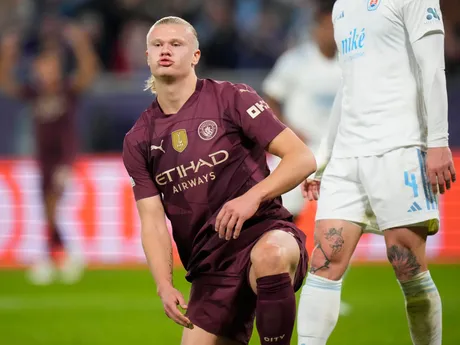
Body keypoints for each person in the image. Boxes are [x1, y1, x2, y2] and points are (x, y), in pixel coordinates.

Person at [122, 16, 316, 345]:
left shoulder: (232, 98)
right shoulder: (139, 139)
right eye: (157, 45)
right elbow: (152, 220)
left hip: (263, 232)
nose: (165, 50)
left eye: (175, 44)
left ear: (195, 56)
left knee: (271, 255)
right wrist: (164, 284)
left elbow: (302, 158)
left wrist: (252, 197)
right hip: (210, 266)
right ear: (147, 57)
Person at [297, 0, 456, 344]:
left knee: (408, 268)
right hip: (348, 155)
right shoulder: (342, 7)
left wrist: (438, 142)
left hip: (399, 147)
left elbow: (433, 67)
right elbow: (347, 85)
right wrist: (324, 158)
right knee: (323, 265)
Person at [0, 21, 98, 284]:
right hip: (44, 158)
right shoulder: (34, 93)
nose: (42, 70)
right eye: (39, 66)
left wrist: (81, 44)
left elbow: (89, 72)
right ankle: (65, 255)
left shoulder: (67, 90)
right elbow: (6, 83)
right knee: (47, 208)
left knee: (54, 204)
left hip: (64, 157)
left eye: (47, 65)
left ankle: (49, 257)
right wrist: (7, 55)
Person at [263, 0, 340, 219]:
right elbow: (270, 100)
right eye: (326, 26)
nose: (331, 33)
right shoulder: (296, 60)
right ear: (316, 28)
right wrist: (288, 131)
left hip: (334, 148)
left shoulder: (348, 62)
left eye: (335, 27)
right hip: (299, 146)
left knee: (339, 210)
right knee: (285, 210)